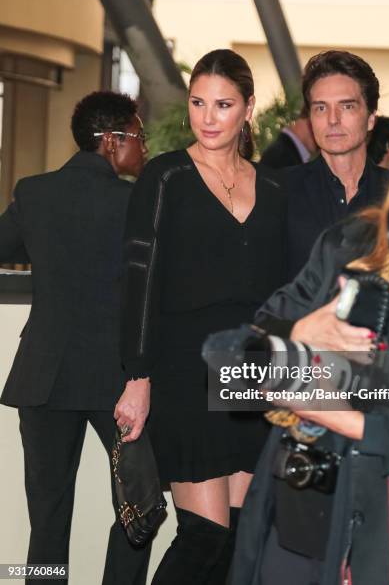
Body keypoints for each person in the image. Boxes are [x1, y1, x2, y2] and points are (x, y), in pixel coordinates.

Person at [231, 109, 389, 585]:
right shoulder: (348, 244)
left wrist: (345, 414)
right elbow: (234, 369)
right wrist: (297, 336)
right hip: (307, 513)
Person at [118, 48, 287, 584]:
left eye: (222, 104)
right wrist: (137, 376)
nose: (207, 118)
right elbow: (140, 280)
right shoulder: (165, 176)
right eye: (198, 102)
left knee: (240, 539)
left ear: (247, 108)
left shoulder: (275, 186)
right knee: (204, 537)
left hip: (252, 373)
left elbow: (285, 289)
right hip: (186, 371)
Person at [0, 91, 150, 585]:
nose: (143, 147)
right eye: (138, 135)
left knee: (46, 522)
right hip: (118, 383)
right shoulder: (138, 202)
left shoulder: (35, 192)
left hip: (44, 376)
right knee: (137, 512)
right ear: (111, 141)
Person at [287, 50, 389, 279]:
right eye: (321, 108)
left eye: (347, 106)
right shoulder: (281, 191)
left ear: (371, 117)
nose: (332, 120)